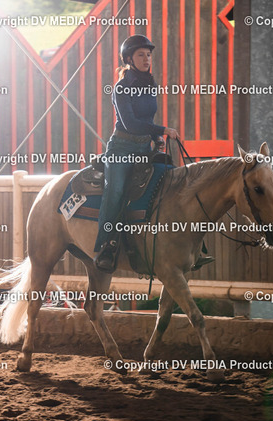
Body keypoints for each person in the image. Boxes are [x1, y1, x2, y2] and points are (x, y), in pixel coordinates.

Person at [93, 35, 180, 273]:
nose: (146, 59)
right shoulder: (121, 88)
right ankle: (106, 247)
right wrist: (163, 130)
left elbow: (147, 119)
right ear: (129, 59)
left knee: (170, 179)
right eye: (141, 55)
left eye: (149, 55)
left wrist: (155, 138)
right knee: (116, 191)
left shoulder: (150, 85)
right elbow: (130, 124)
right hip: (121, 149)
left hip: (144, 148)